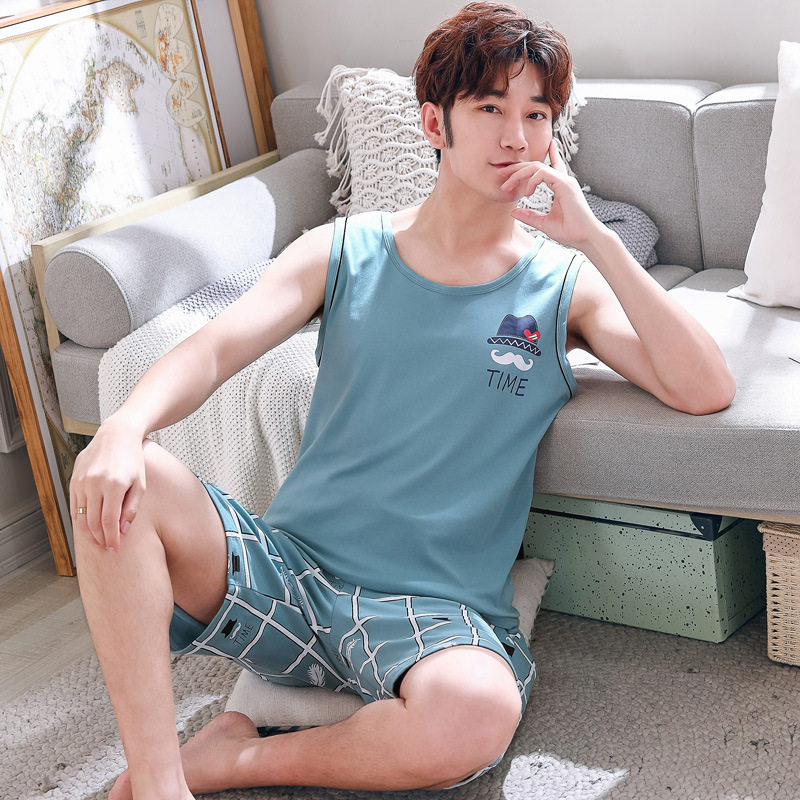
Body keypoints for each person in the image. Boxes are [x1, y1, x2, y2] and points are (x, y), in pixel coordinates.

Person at [71, 4, 736, 798]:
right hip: (289, 574)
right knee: (118, 474)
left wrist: (594, 237)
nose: (515, 136)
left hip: (433, 615)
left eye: (536, 115)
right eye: (489, 107)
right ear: (433, 122)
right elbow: (215, 349)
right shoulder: (342, 249)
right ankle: (159, 783)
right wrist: (124, 427)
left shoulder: (563, 287)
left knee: (476, 715)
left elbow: (707, 387)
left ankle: (231, 760)